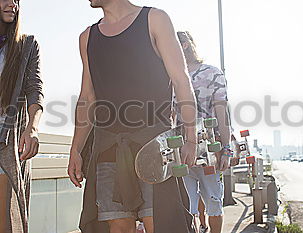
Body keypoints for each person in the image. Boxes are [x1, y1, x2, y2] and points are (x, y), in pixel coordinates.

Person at [68, 1, 198, 233]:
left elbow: (181, 80)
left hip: (155, 147)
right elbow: (87, 97)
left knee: (160, 224)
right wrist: (75, 149)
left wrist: (191, 138)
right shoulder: (87, 37)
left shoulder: (155, 19)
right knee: (116, 226)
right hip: (108, 147)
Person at [177, 31, 235, 233]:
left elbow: (222, 112)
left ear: (185, 45)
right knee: (186, 205)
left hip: (210, 150)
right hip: (179, 150)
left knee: (213, 202)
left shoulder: (212, 73)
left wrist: (227, 148)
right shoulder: (170, 76)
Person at [0, 0, 44, 232]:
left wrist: (32, 129)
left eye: (16, 0)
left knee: (6, 221)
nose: (12, 4)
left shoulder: (26, 45)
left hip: (6, 142)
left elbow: (34, 89)